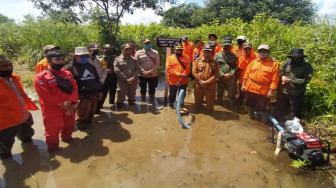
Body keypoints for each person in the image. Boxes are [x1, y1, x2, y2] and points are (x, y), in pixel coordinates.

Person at [34, 51, 78, 152]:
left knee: (69, 126)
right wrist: (63, 104)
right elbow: (45, 95)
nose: (60, 62)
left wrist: (71, 101)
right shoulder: (41, 77)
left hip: (69, 106)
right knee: (52, 131)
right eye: (57, 60)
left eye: (62, 60)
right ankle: (53, 149)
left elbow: (75, 87)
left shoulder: (67, 73)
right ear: (49, 61)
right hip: (52, 110)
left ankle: (67, 138)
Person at [0, 55, 38, 159]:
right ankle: (12, 168)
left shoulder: (14, 78)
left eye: (10, 64)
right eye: (4, 66)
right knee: (5, 149)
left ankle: (32, 157)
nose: (9, 67)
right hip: (5, 122)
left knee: (27, 137)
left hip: (23, 115)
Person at [241, 44, 279, 123]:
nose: (263, 53)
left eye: (265, 51)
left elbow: (274, 79)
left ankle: (264, 123)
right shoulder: (253, 62)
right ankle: (250, 118)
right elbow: (246, 74)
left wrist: (271, 91)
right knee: (249, 104)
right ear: (258, 52)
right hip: (250, 87)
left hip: (263, 91)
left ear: (268, 52)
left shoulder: (274, 64)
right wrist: (243, 84)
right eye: (261, 51)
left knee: (264, 108)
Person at [66, 47, 102, 130]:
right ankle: (81, 128)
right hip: (82, 97)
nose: (85, 58)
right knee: (82, 116)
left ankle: (90, 128)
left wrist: (100, 91)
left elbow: (96, 79)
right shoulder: (69, 68)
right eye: (82, 56)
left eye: (86, 56)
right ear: (75, 57)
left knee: (91, 114)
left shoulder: (90, 66)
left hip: (94, 94)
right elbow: (67, 86)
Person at [275, 48, 313, 122]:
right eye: (293, 56)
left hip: (296, 94)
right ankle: (277, 125)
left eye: (297, 56)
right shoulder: (287, 64)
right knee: (279, 110)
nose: (295, 58)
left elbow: (306, 80)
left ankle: (293, 128)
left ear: (301, 57)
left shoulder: (307, 67)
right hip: (283, 92)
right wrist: (282, 76)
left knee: (295, 113)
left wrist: (291, 80)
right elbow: (280, 72)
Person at [192, 45, 219, 113]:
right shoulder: (197, 61)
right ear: (203, 52)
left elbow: (216, 75)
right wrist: (202, 81)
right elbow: (194, 72)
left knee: (210, 105)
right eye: (205, 52)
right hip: (199, 86)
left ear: (211, 52)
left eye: (208, 52)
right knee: (197, 103)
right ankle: (199, 119)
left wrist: (207, 82)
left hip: (210, 86)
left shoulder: (215, 62)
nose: (207, 53)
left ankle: (210, 118)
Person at [214, 39, 239, 111]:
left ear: (230, 46)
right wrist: (222, 74)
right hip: (220, 77)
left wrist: (230, 74)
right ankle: (219, 108)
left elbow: (236, 66)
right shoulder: (217, 55)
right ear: (222, 46)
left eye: (228, 46)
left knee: (231, 95)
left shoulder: (234, 56)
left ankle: (231, 109)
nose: (226, 47)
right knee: (219, 93)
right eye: (225, 46)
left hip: (231, 79)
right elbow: (215, 66)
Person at [114, 43, 139, 108]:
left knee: (132, 99)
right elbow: (117, 71)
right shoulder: (117, 60)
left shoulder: (134, 59)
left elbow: (137, 70)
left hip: (132, 82)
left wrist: (133, 78)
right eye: (127, 49)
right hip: (122, 82)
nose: (129, 50)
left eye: (130, 49)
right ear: (122, 50)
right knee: (120, 99)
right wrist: (126, 79)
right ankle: (119, 114)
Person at [166, 43, 190, 108]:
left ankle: (181, 105)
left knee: (182, 94)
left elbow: (187, 69)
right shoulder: (170, 57)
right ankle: (171, 105)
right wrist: (179, 74)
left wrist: (180, 80)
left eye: (180, 49)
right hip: (173, 81)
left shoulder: (186, 57)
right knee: (172, 95)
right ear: (174, 50)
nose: (179, 51)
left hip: (183, 81)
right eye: (178, 49)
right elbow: (168, 68)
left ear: (182, 50)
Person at [96, 44, 117, 113]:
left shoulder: (115, 58)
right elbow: (97, 68)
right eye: (107, 49)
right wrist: (106, 71)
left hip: (114, 78)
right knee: (103, 94)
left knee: (113, 93)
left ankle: (112, 106)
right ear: (103, 50)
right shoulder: (99, 58)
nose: (109, 50)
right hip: (104, 79)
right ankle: (99, 106)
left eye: (110, 49)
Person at [237, 42, 258, 108]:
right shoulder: (241, 58)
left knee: (251, 95)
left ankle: (250, 107)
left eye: (248, 49)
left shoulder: (257, 56)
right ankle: (241, 106)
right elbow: (240, 68)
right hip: (243, 79)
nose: (247, 51)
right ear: (243, 50)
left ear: (251, 49)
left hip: (253, 80)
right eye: (245, 49)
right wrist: (244, 57)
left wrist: (272, 60)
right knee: (242, 94)